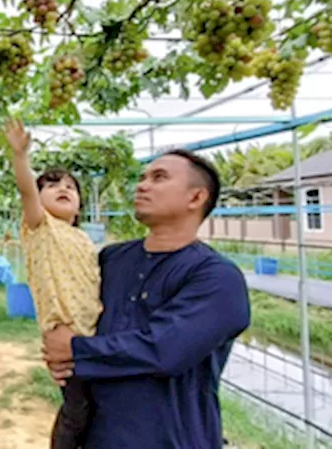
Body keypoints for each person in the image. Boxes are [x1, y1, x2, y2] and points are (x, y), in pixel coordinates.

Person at [41, 150, 251, 449]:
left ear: (195, 198)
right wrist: (61, 352)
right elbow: (78, 314)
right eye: (142, 178)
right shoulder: (111, 259)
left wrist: (76, 350)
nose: (142, 185)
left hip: (171, 439)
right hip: (97, 436)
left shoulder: (217, 278)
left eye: (159, 177)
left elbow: (165, 350)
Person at [3, 119, 100, 449]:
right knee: (78, 411)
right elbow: (26, 188)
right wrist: (20, 156)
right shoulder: (40, 227)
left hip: (98, 337)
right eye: (52, 185)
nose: (63, 188)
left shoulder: (84, 239)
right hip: (66, 338)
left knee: (99, 411)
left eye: (71, 187)